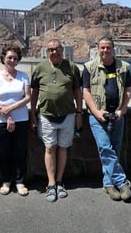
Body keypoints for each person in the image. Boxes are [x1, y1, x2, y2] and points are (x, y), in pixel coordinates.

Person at [82, 36, 131, 201]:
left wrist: (122, 110)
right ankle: (122, 182)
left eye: (108, 48)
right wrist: (96, 112)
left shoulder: (123, 67)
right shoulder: (89, 67)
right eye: (102, 47)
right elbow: (86, 92)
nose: (105, 50)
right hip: (97, 117)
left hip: (117, 116)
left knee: (114, 151)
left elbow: (128, 89)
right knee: (105, 148)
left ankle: (108, 184)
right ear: (98, 49)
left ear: (113, 49)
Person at [30, 39, 82, 202]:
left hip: (67, 114)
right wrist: (33, 114)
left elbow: (77, 92)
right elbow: (34, 94)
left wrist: (79, 112)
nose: (54, 52)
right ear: (47, 52)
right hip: (46, 115)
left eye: (57, 49)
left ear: (62, 50)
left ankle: (60, 182)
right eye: (51, 49)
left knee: (63, 148)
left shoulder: (72, 67)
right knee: (49, 149)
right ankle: (51, 183)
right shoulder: (39, 68)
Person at [0, 45, 31, 196]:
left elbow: (27, 97)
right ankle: (6, 180)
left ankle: (20, 181)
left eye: (15, 58)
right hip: (0, 120)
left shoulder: (23, 76)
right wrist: (6, 114)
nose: (12, 60)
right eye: (9, 57)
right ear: (3, 58)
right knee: (4, 151)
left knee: (20, 151)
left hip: (21, 119)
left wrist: (10, 108)